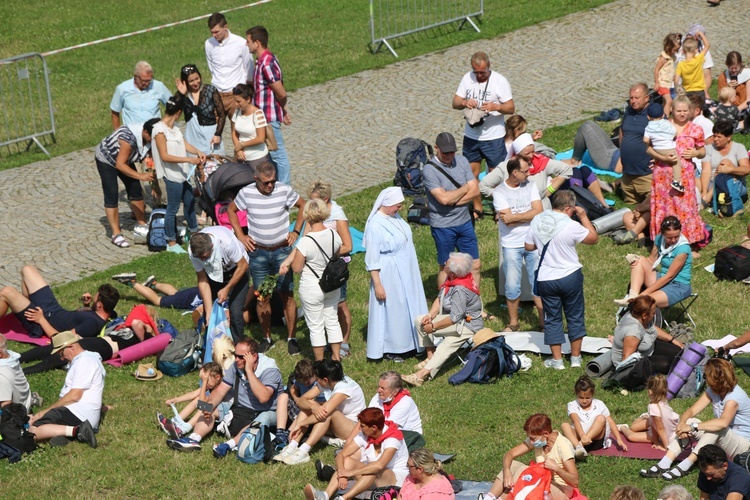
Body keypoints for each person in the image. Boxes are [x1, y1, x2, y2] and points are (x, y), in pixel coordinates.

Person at [227, 161, 305, 354]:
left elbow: (303, 205)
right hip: (259, 253)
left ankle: (292, 337)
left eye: (272, 181)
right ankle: (266, 337)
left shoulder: (284, 190)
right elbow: (231, 210)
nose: (270, 186)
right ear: (256, 179)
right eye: (265, 183)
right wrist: (241, 235)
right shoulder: (247, 193)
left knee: (287, 294)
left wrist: (296, 231)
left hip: (282, 251)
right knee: (263, 297)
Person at [641, 358, 750, 480]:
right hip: (723, 439)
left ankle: (686, 464)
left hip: (742, 444)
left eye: (705, 375)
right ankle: (665, 462)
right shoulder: (714, 391)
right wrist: (682, 425)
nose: (705, 379)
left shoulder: (734, 398)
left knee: (715, 428)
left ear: (714, 378)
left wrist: (693, 427)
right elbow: (691, 410)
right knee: (690, 421)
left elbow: (723, 423)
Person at [167, 338, 282, 453]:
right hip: (241, 408)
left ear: (254, 356)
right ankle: (193, 439)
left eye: (241, 357)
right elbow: (221, 391)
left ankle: (229, 444)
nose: (236, 360)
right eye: (235, 355)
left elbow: (264, 398)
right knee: (207, 407)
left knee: (258, 422)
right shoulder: (236, 366)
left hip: (265, 412)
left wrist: (249, 371)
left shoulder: (269, 370)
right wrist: (210, 405)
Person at [525, 190, 598, 370]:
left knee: (552, 318)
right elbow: (593, 238)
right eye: (573, 209)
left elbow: (528, 246)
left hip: (546, 278)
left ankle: (557, 361)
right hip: (569, 276)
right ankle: (575, 358)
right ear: (568, 208)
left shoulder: (538, 220)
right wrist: (584, 217)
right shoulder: (571, 224)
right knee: (574, 315)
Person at [363, 187, 427, 362]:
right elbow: (372, 259)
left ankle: (415, 342)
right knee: (395, 309)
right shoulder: (375, 225)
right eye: (397, 205)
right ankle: (395, 347)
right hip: (389, 273)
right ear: (387, 203)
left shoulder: (395, 217)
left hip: (406, 269)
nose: (400, 208)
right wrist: (378, 284)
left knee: (410, 305)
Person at [402, 252, 484, 386]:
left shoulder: (460, 289)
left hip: (468, 324)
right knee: (419, 319)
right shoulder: (452, 279)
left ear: (452, 270)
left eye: (447, 262)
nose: (445, 262)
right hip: (455, 319)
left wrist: (433, 327)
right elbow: (441, 298)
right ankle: (430, 357)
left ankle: (420, 376)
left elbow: (455, 318)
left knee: (447, 344)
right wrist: (429, 316)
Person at [452, 51, 515, 217]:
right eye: (476, 72)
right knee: (471, 174)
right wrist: (465, 102)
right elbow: (455, 102)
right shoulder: (467, 78)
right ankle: (477, 208)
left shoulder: (500, 81)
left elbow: (510, 108)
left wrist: (496, 107)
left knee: (495, 175)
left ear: (489, 66)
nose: (479, 75)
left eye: (483, 72)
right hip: (472, 136)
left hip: (493, 137)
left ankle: (498, 209)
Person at [279, 199, 343, 361]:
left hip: (312, 286)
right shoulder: (334, 234)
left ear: (307, 216)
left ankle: (320, 362)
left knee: (315, 326)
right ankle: (336, 358)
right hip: (332, 284)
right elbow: (336, 254)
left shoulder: (306, 241)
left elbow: (297, 268)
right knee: (332, 320)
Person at [303, 407, 409, 500]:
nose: (359, 428)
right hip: (372, 476)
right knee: (348, 461)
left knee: (372, 470)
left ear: (374, 428)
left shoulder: (393, 438)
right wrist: (342, 474)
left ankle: (344, 498)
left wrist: (350, 473)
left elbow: (379, 465)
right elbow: (342, 455)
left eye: (362, 426)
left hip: (394, 478)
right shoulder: (365, 434)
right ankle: (325, 495)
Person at [20, 303, 158, 374]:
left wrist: (141, 341)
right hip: (101, 343)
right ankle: (18, 359)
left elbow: (136, 323)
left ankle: (21, 368)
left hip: (105, 347)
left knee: (63, 353)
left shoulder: (147, 330)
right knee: (60, 348)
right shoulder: (130, 327)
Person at [275, 359, 366, 465]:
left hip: (353, 427)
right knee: (311, 406)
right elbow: (302, 400)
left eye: (317, 379)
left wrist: (301, 424)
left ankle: (304, 450)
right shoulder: (327, 382)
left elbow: (326, 412)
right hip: (333, 424)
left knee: (329, 412)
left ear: (325, 380)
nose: (316, 382)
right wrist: (313, 406)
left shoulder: (344, 388)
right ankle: (293, 445)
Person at [646, 95, 706, 245]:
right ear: (671, 110)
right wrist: (660, 157)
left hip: (684, 176)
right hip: (662, 175)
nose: (682, 113)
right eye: (679, 110)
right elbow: (648, 147)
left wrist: (695, 153)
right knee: (664, 206)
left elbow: (703, 151)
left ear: (691, 111)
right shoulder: (661, 125)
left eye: (685, 110)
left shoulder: (695, 129)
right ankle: (663, 241)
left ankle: (687, 242)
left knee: (685, 207)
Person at [423, 132, 481, 286]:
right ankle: (444, 304)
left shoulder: (462, 161)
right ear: (436, 148)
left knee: (475, 265)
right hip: (443, 226)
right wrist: (465, 188)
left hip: (465, 222)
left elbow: (475, 190)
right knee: (446, 268)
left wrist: (453, 200)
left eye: (452, 152)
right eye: (445, 152)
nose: (449, 155)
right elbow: (443, 199)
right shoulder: (429, 170)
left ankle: (473, 302)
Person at [28, 331, 103, 448]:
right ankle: (64, 435)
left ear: (70, 346)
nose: (62, 358)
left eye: (61, 353)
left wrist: (46, 411)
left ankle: (78, 431)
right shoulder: (88, 358)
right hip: (80, 413)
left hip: (76, 413)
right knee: (41, 428)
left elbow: (74, 396)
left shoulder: (84, 362)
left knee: (32, 431)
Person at [493, 157, 544, 331]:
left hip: (533, 242)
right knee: (512, 285)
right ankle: (514, 323)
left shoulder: (531, 185)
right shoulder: (499, 192)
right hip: (512, 244)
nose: (529, 173)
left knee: (538, 282)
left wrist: (514, 216)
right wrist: (525, 216)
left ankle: (544, 323)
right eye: (525, 171)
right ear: (515, 173)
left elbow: (538, 212)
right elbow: (507, 222)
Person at [151, 93, 206, 254]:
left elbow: (183, 143)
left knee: (189, 202)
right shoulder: (159, 130)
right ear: (179, 112)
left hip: (182, 174)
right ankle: (171, 241)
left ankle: (195, 233)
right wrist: (188, 160)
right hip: (171, 175)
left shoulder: (174, 128)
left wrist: (197, 151)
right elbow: (164, 155)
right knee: (173, 209)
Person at [0, 265, 119, 339]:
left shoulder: (92, 324)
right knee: (27, 269)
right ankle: (23, 305)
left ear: (99, 304)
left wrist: (41, 320)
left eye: (95, 298)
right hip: (54, 309)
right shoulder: (107, 313)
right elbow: (81, 319)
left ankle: (21, 306)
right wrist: (86, 305)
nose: (93, 297)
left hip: (41, 322)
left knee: (6, 292)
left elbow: (62, 339)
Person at [480, 413, 579, 500]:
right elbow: (509, 454)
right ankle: (489, 497)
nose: (531, 442)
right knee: (513, 465)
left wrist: (557, 468)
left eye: (533, 438)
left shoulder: (563, 446)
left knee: (523, 471)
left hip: (558, 488)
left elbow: (574, 481)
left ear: (545, 434)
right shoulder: (540, 439)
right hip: (540, 479)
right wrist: (507, 472)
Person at [94, 118, 158, 248]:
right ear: (145, 132)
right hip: (107, 159)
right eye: (151, 137)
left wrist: (154, 182)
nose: (153, 140)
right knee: (111, 192)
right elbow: (120, 165)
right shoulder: (128, 138)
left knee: (135, 189)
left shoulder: (153, 135)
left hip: (125, 159)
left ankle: (142, 223)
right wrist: (140, 175)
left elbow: (152, 159)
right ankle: (116, 234)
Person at [308, 180, 353, 357]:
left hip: (335, 267)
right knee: (324, 305)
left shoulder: (337, 214)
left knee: (340, 303)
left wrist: (326, 253)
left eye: (315, 201)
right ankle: (330, 340)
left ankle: (345, 342)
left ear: (326, 199)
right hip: (317, 267)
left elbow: (348, 245)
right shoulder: (314, 214)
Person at [480, 134, 577, 210]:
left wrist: (549, 190)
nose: (532, 156)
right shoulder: (505, 167)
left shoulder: (541, 162)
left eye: (533, 151)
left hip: (542, 211)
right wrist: (502, 197)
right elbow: (483, 186)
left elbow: (566, 170)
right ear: (517, 153)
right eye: (527, 153)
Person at [614, 216, 693, 310]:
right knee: (640, 260)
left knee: (643, 302)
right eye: (669, 237)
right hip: (662, 278)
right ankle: (632, 296)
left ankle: (635, 302)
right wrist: (635, 259)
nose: (673, 240)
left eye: (676, 236)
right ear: (663, 234)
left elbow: (669, 276)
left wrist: (644, 294)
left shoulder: (683, 249)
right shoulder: (659, 239)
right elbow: (651, 260)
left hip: (678, 285)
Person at [246, 25, 292, 184]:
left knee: (278, 154)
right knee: (271, 154)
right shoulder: (261, 61)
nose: (247, 44)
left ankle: (285, 187)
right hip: (264, 116)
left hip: (269, 117)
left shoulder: (266, 63)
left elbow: (281, 92)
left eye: (248, 41)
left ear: (257, 43)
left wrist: (282, 108)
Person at [188, 226, 250, 344]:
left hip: (237, 269)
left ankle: (238, 346)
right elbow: (202, 279)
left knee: (236, 312)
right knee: (210, 314)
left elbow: (243, 265)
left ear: (212, 246)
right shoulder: (193, 251)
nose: (202, 259)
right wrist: (209, 311)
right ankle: (211, 346)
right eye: (200, 258)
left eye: (205, 257)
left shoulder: (226, 242)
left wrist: (227, 288)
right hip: (213, 273)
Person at [610, 295, 684, 374]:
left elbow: (652, 328)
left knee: (679, 352)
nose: (655, 314)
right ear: (644, 315)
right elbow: (626, 360)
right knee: (667, 364)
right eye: (653, 313)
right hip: (636, 362)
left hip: (648, 349)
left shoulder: (637, 315)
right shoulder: (634, 332)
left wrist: (673, 340)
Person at [156, 362, 228, 440]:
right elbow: (193, 394)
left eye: (207, 380)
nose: (205, 382)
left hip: (224, 413)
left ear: (218, 377)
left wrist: (204, 382)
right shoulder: (212, 384)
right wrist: (176, 400)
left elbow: (202, 404)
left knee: (204, 405)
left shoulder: (222, 387)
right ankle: (175, 421)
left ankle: (183, 429)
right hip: (212, 410)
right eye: (203, 380)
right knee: (198, 399)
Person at [561, 375, 626, 460]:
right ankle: (578, 448)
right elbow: (576, 420)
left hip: (595, 441)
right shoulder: (572, 405)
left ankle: (580, 446)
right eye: (581, 397)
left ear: (592, 394)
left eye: (587, 398)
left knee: (601, 418)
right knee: (564, 425)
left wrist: (619, 439)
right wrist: (582, 435)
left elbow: (610, 421)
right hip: (579, 438)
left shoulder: (599, 404)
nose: (584, 401)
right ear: (576, 394)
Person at [204, 12, 253, 117]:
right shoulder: (208, 44)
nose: (214, 35)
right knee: (214, 130)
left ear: (225, 27)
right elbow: (211, 67)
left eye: (217, 32)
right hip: (216, 94)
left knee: (237, 129)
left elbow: (249, 68)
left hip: (234, 94)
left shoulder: (240, 43)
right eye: (212, 32)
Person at [618, 374, 679, 450]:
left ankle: (622, 427)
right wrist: (656, 442)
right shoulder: (662, 400)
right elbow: (657, 425)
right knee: (633, 427)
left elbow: (660, 428)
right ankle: (647, 416)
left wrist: (666, 447)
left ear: (650, 392)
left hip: (665, 434)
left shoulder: (654, 406)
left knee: (631, 436)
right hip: (660, 426)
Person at [176, 64, 226, 155]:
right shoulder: (184, 95)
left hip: (211, 135)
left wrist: (218, 134)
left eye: (197, 78)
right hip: (192, 137)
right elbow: (173, 110)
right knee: (195, 165)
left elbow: (222, 114)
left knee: (216, 164)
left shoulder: (210, 90)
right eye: (191, 81)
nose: (195, 83)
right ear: (185, 82)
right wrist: (180, 94)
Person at [700, 121, 750, 210]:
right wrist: (704, 190)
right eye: (714, 136)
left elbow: (746, 169)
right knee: (692, 178)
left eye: (719, 137)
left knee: (725, 162)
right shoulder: (708, 149)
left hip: (734, 184)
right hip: (712, 183)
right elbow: (706, 170)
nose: (715, 139)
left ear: (729, 137)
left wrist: (730, 170)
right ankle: (709, 195)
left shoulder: (739, 148)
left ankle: (708, 198)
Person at [110, 61, 171, 130]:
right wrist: (118, 133)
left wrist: (166, 123)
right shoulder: (122, 89)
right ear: (135, 76)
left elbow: (174, 106)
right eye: (144, 81)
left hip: (154, 133)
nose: (147, 84)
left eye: (149, 80)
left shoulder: (158, 86)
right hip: (132, 135)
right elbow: (115, 112)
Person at [368, 371, 423, 437]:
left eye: (383, 388)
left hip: (407, 436)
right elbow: (367, 418)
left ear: (395, 392)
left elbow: (388, 429)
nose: (379, 390)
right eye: (379, 387)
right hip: (382, 431)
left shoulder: (404, 403)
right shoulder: (378, 397)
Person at [111, 273, 201, 312]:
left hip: (196, 291)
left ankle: (153, 284)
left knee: (175, 294)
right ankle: (131, 282)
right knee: (158, 300)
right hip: (193, 299)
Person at [230, 83, 269, 169]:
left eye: (239, 101)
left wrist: (242, 145)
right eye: (235, 101)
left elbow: (261, 138)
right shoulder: (237, 112)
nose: (236, 104)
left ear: (248, 99)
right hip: (241, 157)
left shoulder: (258, 114)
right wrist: (239, 149)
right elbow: (233, 132)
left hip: (257, 157)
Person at [644, 102, 681, 192]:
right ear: (663, 115)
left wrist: (652, 140)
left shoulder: (648, 126)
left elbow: (645, 140)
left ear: (648, 117)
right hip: (668, 148)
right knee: (677, 163)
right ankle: (677, 181)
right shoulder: (667, 123)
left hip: (656, 149)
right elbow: (675, 133)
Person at [675, 32, 711, 102]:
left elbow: (676, 80)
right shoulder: (699, 59)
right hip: (699, 89)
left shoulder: (681, 64)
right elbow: (707, 45)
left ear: (683, 51)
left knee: (688, 109)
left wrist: (677, 89)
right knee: (699, 109)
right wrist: (701, 34)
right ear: (696, 50)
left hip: (687, 91)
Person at [0, 333, 31, 411]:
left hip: (17, 414)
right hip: (25, 401)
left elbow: (6, 408)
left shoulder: (1, 375)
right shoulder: (11, 357)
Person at [654, 34, 681, 118]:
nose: (675, 52)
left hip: (667, 83)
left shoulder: (671, 57)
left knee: (665, 102)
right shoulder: (663, 58)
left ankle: (661, 115)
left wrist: (672, 76)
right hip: (662, 83)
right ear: (668, 46)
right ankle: (666, 118)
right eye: (674, 49)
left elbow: (668, 69)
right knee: (669, 101)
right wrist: (656, 83)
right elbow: (656, 69)